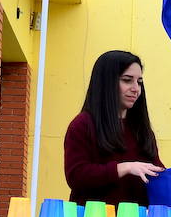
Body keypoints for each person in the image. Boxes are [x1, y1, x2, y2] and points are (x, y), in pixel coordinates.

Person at [64, 50, 164, 205]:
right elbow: (76, 176)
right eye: (127, 80)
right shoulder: (83, 125)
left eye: (139, 82)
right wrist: (124, 168)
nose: (135, 89)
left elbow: (154, 172)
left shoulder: (142, 129)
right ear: (106, 82)